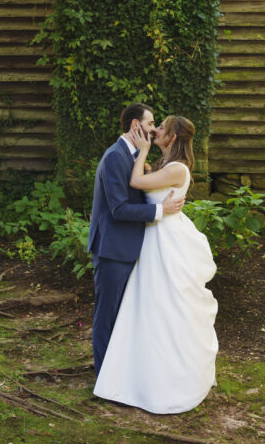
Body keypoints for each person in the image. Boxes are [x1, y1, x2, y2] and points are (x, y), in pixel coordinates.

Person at [93, 115, 218, 414]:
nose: (155, 130)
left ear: (172, 138)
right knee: (147, 308)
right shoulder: (165, 166)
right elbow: (144, 185)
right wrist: (147, 161)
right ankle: (132, 372)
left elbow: (137, 182)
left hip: (166, 243)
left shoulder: (175, 168)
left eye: (161, 128)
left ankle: (170, 378)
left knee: (165, 307)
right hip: (152, 240)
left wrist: (143, 153)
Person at [87, 103, 185, 376]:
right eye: (150, 123)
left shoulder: (132, 157)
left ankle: (117, 374)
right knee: (106, 316)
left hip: (126, 249)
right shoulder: (116, 157)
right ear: (135, 125)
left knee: (121, 315)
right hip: (112, 251)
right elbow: (118, 209)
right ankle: (103, 378)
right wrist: (160, 210)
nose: (153, 129)